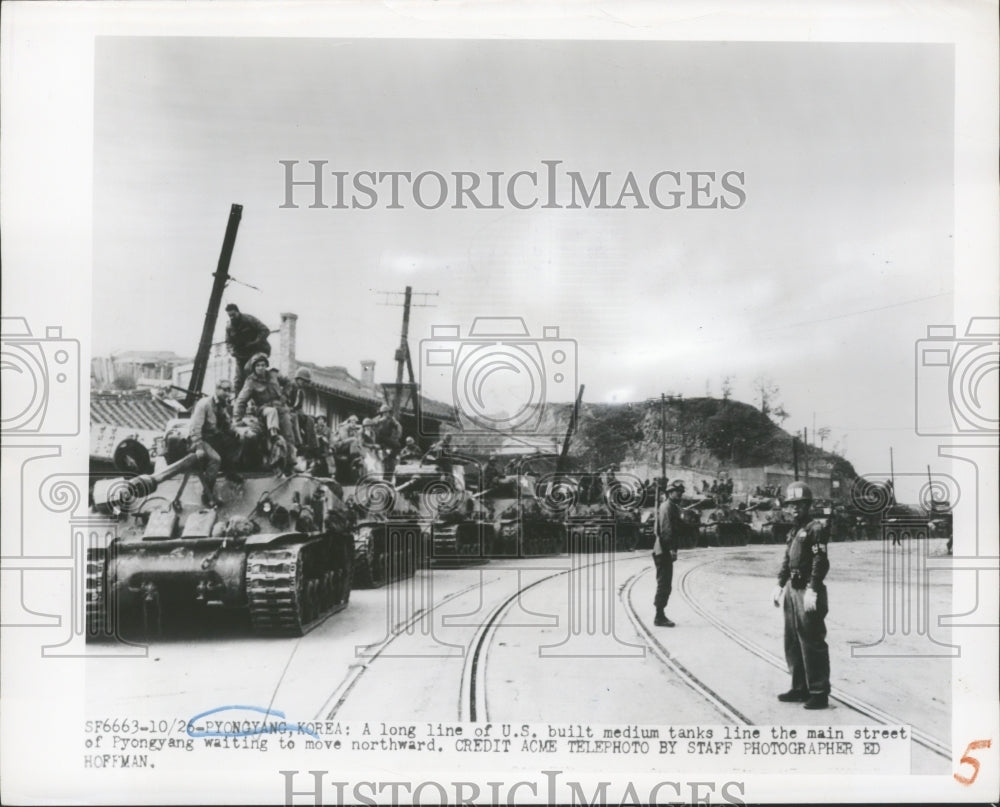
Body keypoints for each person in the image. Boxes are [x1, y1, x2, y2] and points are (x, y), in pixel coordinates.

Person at [772, 481, 831, 710]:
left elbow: (820, 561)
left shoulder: (815, 529)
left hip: (807, 588)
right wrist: (779, 584)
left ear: (808, 505)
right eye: (791, 505)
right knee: (793, 640)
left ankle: (818, 691)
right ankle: (799, 688)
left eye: (800, 504)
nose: (795, 509)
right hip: (792, 589)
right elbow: (788, 559)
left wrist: (813, 588)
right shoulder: (794, 530)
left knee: (812, 640)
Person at [232, 353, 296, 473]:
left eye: (263, 365)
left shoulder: (274, 375)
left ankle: (290, 464)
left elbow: (289, 383)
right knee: (271, 414)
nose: (261, 368)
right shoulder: (251, 381)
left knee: (289, 434)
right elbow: (241, 401)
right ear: (254, 368)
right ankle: (274, 435)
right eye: (258, 366)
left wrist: (285, 396)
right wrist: (237, 420)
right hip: (264, 409)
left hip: (280, 407)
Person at [188, 379, 238, 506]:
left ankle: (230, 471)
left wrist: (235, 432)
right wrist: (199, 446)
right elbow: (195, 427)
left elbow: (226, 423)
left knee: (237, 441)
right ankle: (207, 494)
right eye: (224, 389)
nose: (227, 393)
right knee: (215, 459)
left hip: (214, 438)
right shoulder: (204, 404)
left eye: (229, 390)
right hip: (201, 439)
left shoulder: (222, 404)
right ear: (217, 389)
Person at [653, 479, 685, 627]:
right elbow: (666, 529)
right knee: (664, 583)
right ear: (670, 493)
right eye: (676, 492)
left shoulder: (671, 506)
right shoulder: (667, 507)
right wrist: (672, 549)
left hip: (663, 549)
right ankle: (659, 617)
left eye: (680, 492)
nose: (679, 494)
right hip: (663, 549)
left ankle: (660, 614)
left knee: (665, 583)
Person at [224, 304, 271, 394]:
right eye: (230, 316)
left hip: (257, 351)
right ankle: (238, 402)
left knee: (248, 370)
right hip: (241, 355)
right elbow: (228, 342)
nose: (232, 317)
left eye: (233, 315)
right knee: (238, 380)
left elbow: (265, 330)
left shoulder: (249, 320)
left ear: (238, 312)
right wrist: (232, 351)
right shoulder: (229, 327)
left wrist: (255, 342)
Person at [373, 403, 403, 471]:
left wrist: (398, 435)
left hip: (386, 438)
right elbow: (372, 427)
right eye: (384, 412)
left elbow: (398, 426)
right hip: (379, 438)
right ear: (381, 413)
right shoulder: (377, 419)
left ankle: (390, 457)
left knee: (397, 446)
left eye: (387, 412)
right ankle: (388, 458)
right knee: (397, 445)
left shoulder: (391, 419)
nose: (386, 414)